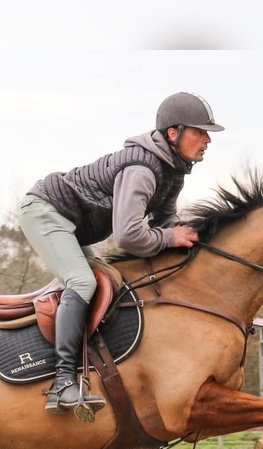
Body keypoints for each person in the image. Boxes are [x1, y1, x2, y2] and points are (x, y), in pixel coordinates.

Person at [19, 92, 224, 416]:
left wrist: (200, 238)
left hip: (70, 223)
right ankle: (61, 384)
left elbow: (166, 222)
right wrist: (172, 236)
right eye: (200, 132)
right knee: (83, 283)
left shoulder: (171, 172)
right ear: (174, 133)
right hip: (45, 211)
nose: (207, 140)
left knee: (108, 283)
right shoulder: (143, 169)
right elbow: (129, 237)